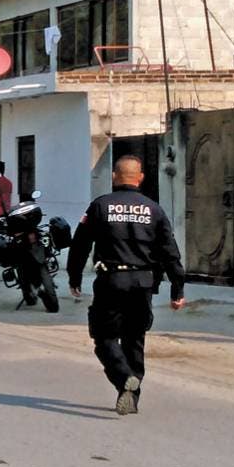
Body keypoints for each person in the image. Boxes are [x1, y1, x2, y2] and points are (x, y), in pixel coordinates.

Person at [66, 155, 185, 416]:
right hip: (143, 282)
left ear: (114, 177)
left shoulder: (100, 206)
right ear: (140, 177)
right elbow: (170, 251)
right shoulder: (154, 209)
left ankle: (123, 378)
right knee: (134, 339)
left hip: (111, 280)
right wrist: (177, 289)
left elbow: (80, 245)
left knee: (104, 337)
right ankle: (132, 393)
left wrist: (74, 277)